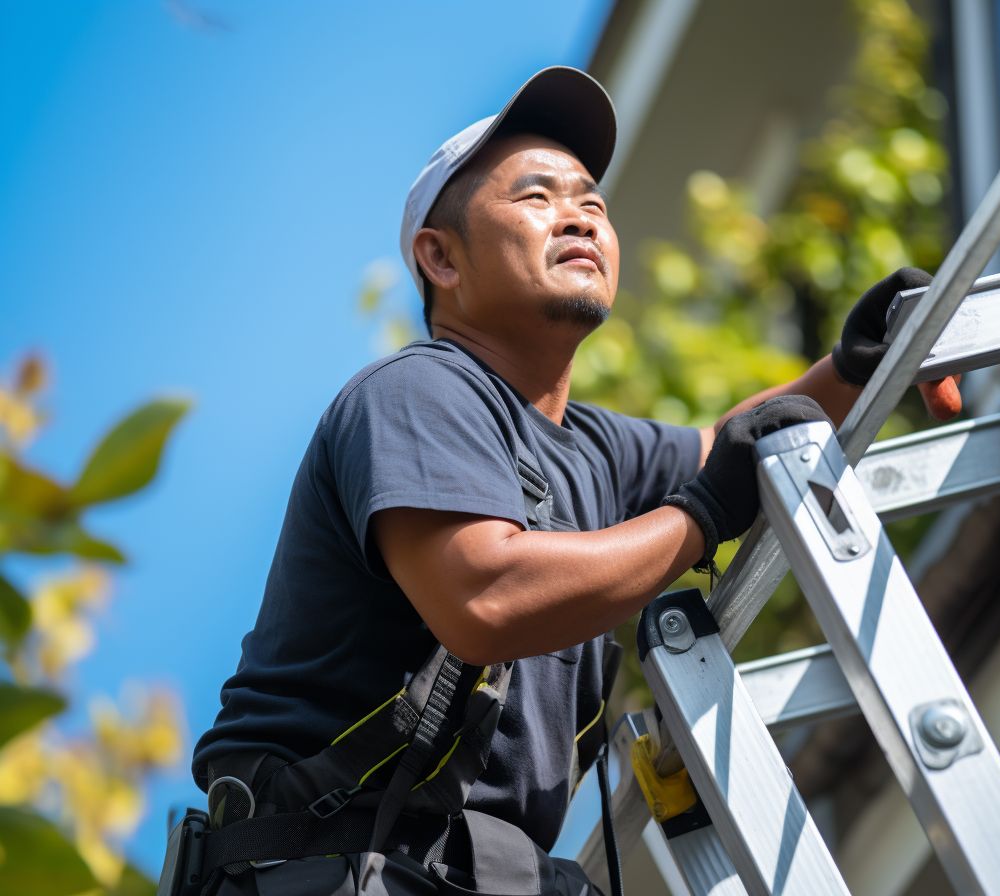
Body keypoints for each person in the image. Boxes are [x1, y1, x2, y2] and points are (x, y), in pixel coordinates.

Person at [188, 66, 960, 895]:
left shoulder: (589, 447)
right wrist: (700, 519)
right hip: (326, 867)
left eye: (592, 201)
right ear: (440, 258)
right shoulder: (416, 394)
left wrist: (851, 366)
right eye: (535, 197)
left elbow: (723, 448)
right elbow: (484, 597)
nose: (579, 216)